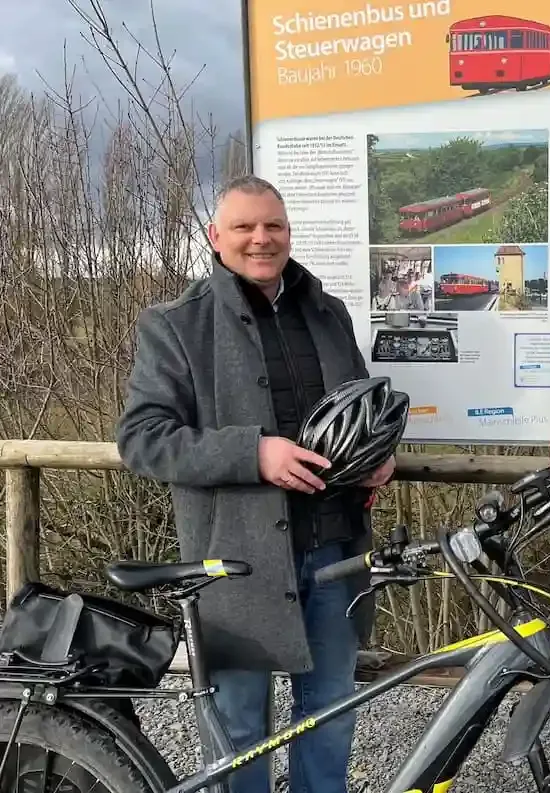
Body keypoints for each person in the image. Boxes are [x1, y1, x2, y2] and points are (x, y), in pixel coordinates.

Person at [116, 174, 396, 793]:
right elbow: (143, 438)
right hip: (235, 566)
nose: (261, 239)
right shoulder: (176, 324)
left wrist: (377, 456)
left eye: (273, 226)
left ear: (289, 233)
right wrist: (254, 453)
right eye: (244, 227)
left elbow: (358, 411)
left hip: (335, 555)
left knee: (329, 722)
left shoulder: (328, 313)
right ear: (216, 238)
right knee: (240, 732)